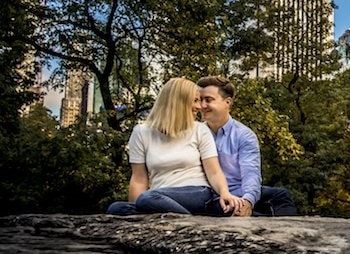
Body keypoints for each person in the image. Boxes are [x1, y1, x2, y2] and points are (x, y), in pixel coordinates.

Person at [107, 77, 241, 216]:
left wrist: (224, 193)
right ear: (179, 102)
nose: (200, 107)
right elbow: (139, 179)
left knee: (147, 198)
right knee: (116, 208)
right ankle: (190, 218)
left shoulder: (200, 130)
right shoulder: (141, 132)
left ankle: (189, 221)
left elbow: (214, 172)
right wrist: (138, 210)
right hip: (159, 198)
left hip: (196, 193)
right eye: (195, 100)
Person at [196, 75, 298, 217]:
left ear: (227, 102)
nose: (202, 106)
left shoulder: (244, 135)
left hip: (240, 191)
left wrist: (248, 201)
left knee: (281, 195)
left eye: (208, 100)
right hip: (212, 195)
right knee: (233, 209)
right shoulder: (195, 133)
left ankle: (287, 235)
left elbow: (251, 174)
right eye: (199, 100)